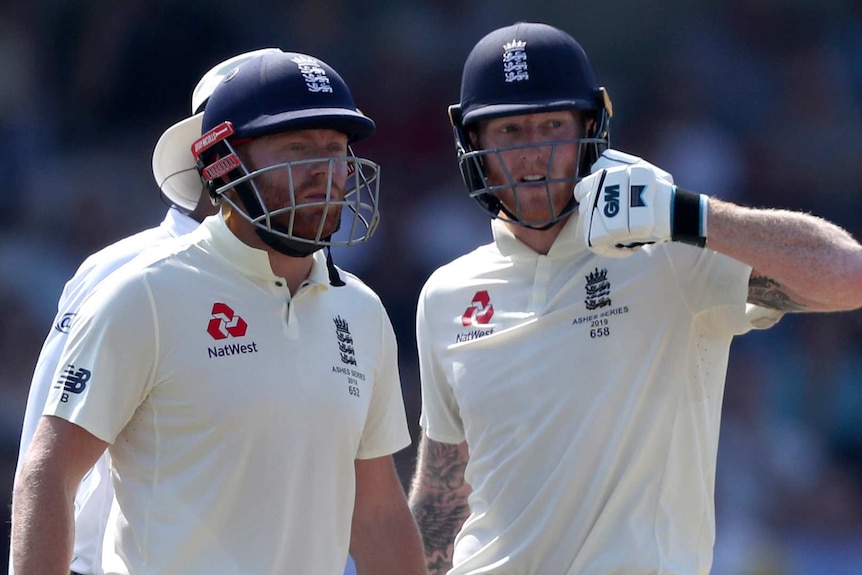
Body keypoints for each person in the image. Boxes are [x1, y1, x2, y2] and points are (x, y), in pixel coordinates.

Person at [408, 21, 862, 575]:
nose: (532, 155)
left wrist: (686, 214)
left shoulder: (669, 251)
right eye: (509, 132)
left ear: (590, 129)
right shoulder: (444, 295)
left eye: (552, 125)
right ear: (473, 142)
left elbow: (848, 275)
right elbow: (440, 498)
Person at [12, 49, 426, 575]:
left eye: (336, 149)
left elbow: (378, 514)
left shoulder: (362, 311)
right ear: (223, 163)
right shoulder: (143, 292)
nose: (326, 171)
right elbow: (48, 472)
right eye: (298, 148)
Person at [8, 47, 278, 575]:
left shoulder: (329, 287)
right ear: (216, 154)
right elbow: (44, 466)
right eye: (287, 144)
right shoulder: (122, 269)